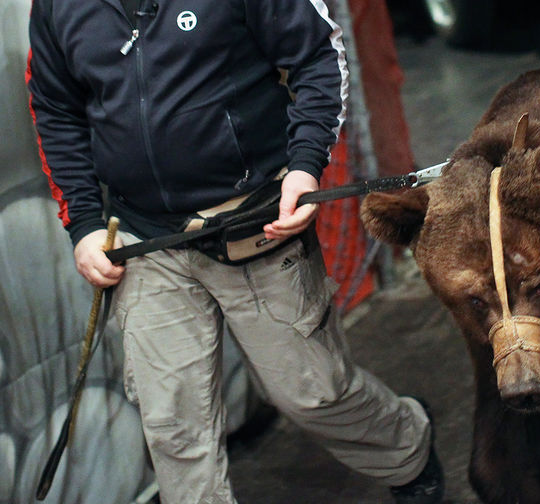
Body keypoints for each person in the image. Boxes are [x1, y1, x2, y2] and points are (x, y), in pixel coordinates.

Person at [27, 0, 444, 503]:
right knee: (173, 422)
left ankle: (407, 444)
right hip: (145, 239)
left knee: (313, 394)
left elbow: (316, 55)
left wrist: (306, 164)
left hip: (254, 222)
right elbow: (55, 109)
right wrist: (86, 224)